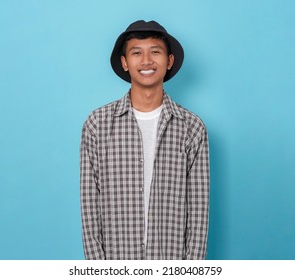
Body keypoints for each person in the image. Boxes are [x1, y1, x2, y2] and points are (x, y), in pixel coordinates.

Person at [80, 20, 210, 260]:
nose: (147, 60)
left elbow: (198, 211)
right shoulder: (97, 125)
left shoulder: (192, 127)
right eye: (136, 53)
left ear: (169, 61)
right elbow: (90, 207)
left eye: (155, 52)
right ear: (124, 62)